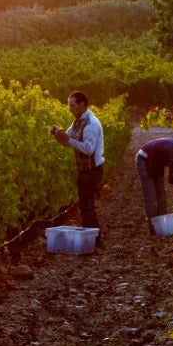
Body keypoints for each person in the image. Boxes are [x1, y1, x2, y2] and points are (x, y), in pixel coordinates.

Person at [51, 91, 105, 245]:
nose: (70, 109)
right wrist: (58, 134)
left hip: (92, 171)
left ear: (83, 105)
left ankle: (91, 243)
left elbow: (88, 149)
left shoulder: (91, 124)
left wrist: (68, 140)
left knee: (86, 207)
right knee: (87, 206)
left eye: (72, 106)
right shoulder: (77, 121)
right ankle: (95, 240)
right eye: (69, 106)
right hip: (84, 170)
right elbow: (67, 140)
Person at [135, 137, 173, 234]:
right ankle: (153, 229)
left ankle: (163, 226)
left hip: (157, 161)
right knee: (151, 197)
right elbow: (171, 179)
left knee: (162, 196)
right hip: (145, 158)